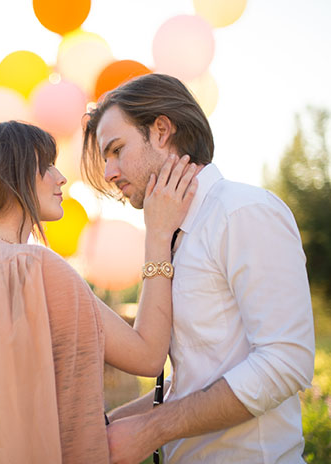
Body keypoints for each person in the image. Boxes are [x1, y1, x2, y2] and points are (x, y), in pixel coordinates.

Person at [0, 120, 197, 463]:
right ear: (12, 179)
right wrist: (157, 234)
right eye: (46, 166)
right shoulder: (35, 268)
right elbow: (146, 355)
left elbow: (40, 410)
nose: (60, 177)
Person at [82, 73, 316, 463]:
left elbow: (285, 362)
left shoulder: (243, 212)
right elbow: (197, 378)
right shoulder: (172, 234)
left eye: (117, 150)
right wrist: (97, 429)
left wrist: (153, 429)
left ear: (161, 131)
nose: (109, 174)